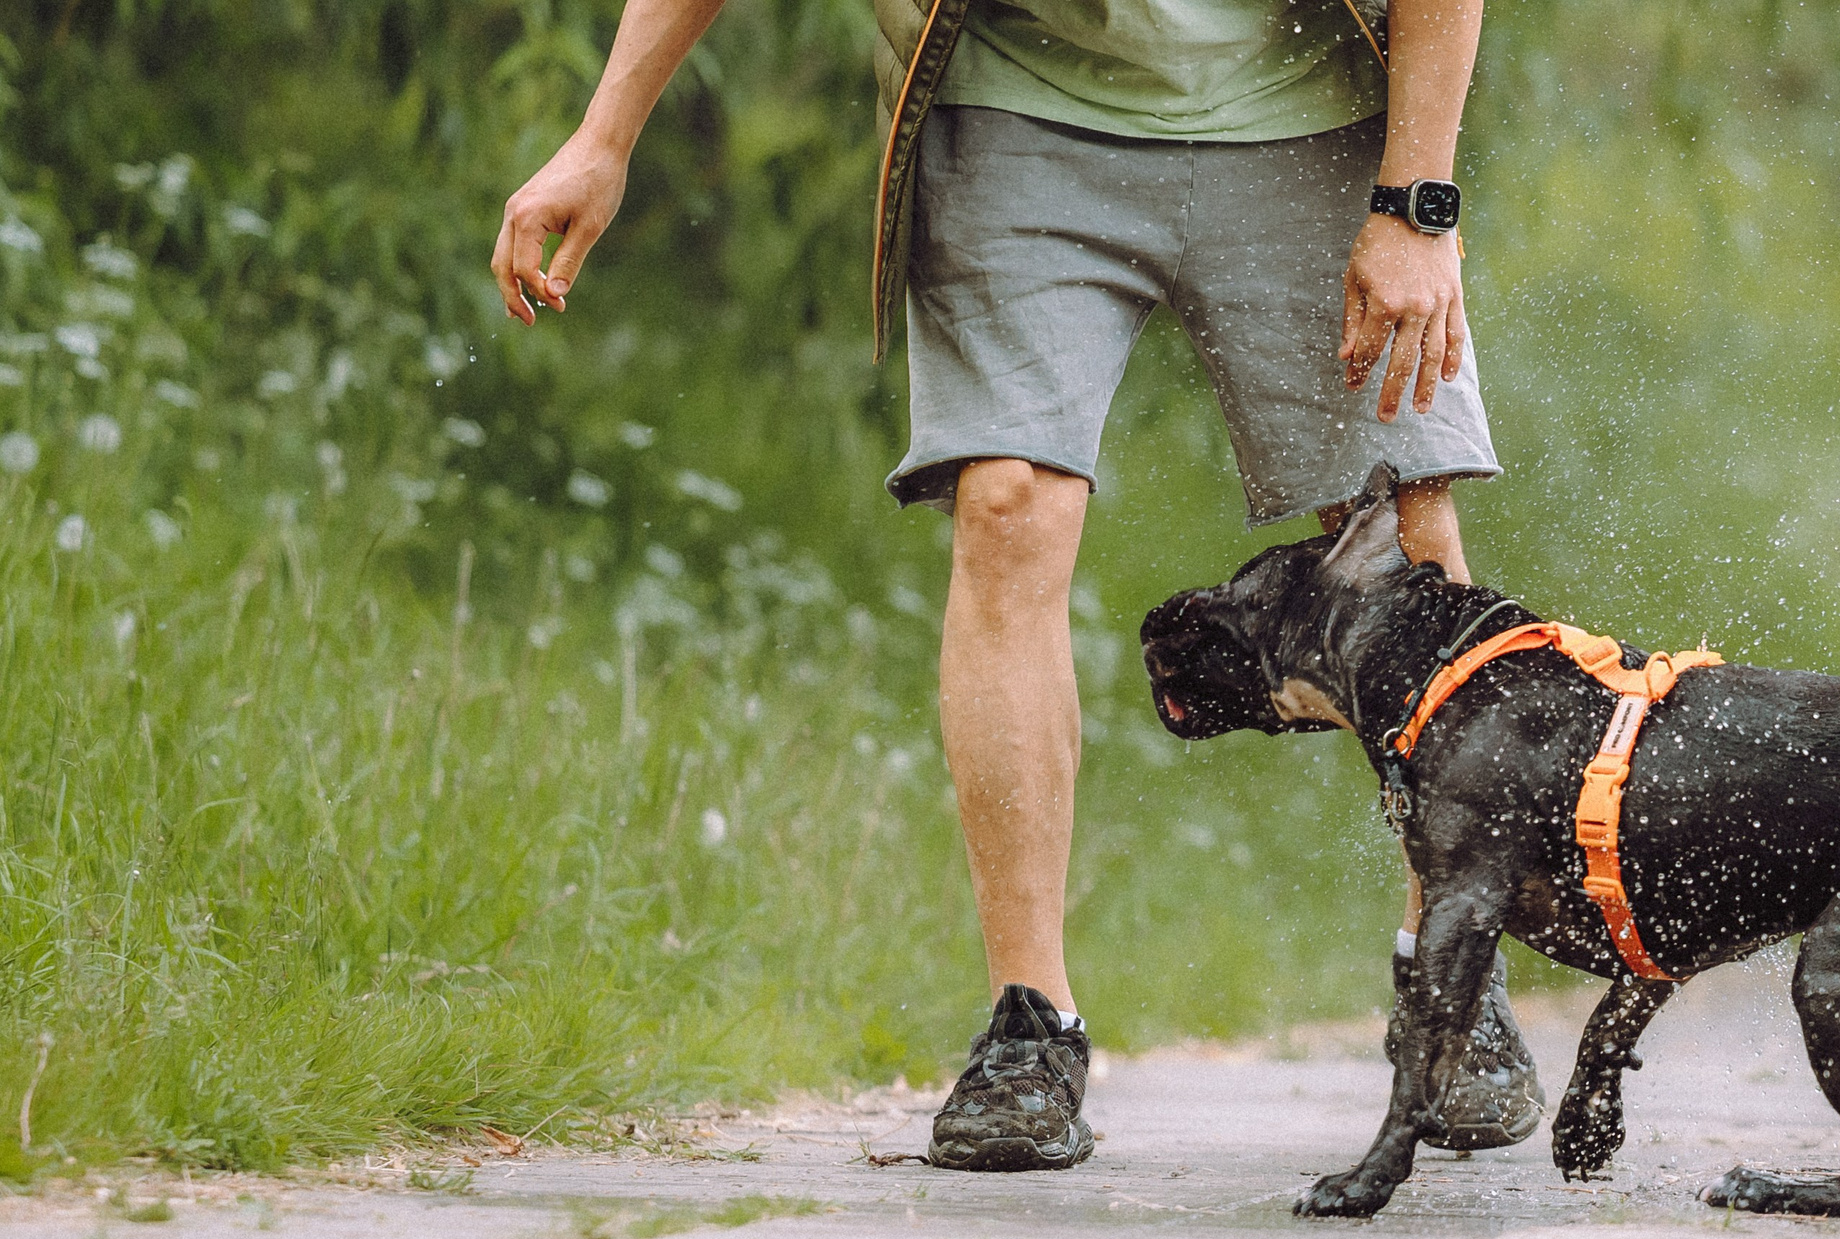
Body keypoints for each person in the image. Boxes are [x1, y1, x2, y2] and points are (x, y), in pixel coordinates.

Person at [492, 0, 1540, 1174]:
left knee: (1397, 522)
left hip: (1304, 107)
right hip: (1021, 117)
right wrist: (604, 134)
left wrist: (1416, 204)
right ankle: (1029, 1026)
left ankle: (1448, 973)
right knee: (1006, 505)